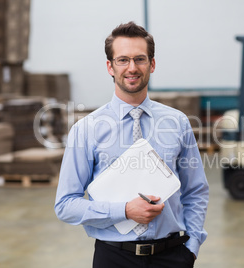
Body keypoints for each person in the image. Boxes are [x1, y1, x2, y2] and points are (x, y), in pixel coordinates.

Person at [54, 21, 209, 268]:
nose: (132, 68)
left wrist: (191, 248)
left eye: (140, 59)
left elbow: (196, 190)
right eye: (123, 60)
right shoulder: (86, 130)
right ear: (110, 67)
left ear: (152, 64)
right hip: (114, 257)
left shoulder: (177, 123)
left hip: (173, 255)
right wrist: (124, 211)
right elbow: (65, 205)